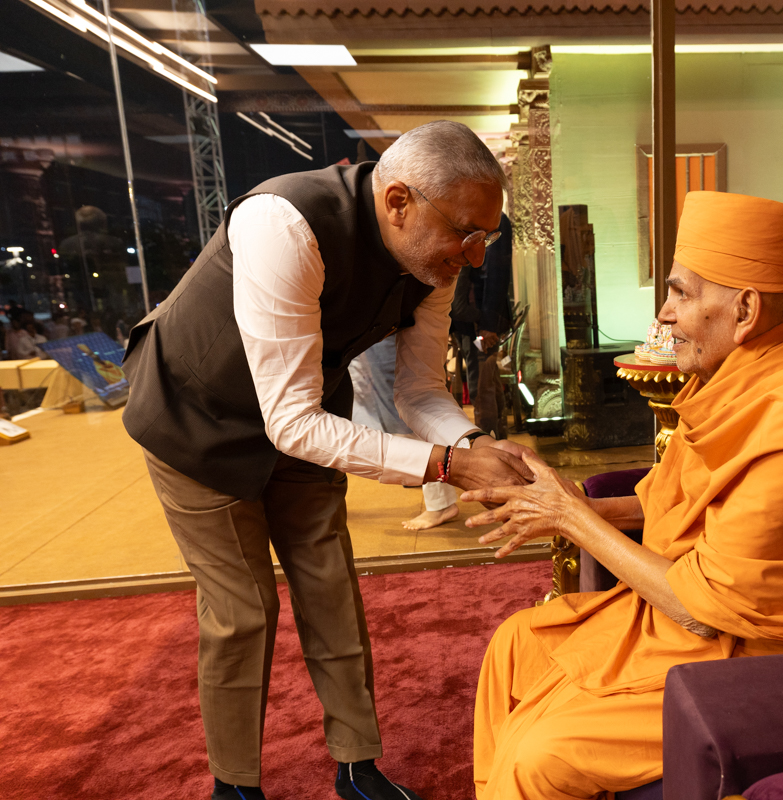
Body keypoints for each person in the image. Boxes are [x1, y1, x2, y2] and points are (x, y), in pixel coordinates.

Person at [463, 191, 783, 799]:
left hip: (781, 651)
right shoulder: (747, 373)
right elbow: (667, 499)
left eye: (681, 293)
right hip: (712, 612)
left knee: (539, 755)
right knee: (513, 646)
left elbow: (702, 609)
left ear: (744, 309)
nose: (663, 314)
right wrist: (551, 505)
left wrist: (572, 517)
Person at [121, 120, 535, 800]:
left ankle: (356, 765)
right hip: (195, 417)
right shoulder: (283, 223)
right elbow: (289, 423)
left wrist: (472, 444)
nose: (476, 255)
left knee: (330, 586)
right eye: (465, 232)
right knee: (242, 609)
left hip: (306, 414)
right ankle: (236, 786)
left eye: (485, 236)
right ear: (398, 201)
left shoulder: (433, 260)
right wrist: (444, 467)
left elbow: (420, 389)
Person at [349, 334, 460, 529]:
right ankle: (435, 493)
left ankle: (440, 502)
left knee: (412, 409)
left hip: (387, 333)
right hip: (369, 338)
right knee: (401, 410)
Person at [450, 212, 512, 403]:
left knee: (482, 386)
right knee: (487, 381)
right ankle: (494, 430)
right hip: (472, 317)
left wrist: (488, 323)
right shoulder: (469, 218)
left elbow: (496, 275)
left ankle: (488, 432)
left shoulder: (494, 219)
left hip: (477, 321)